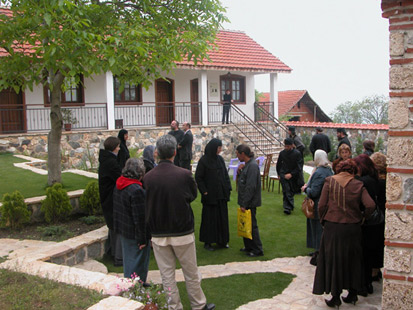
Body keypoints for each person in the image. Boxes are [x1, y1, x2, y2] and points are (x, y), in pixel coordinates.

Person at [144, 134, 215, 310]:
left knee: (167, 275)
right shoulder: (184, 175)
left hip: (159, 232)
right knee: (191, 272)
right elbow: (192, 195)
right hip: (181, 230)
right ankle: (198, 305)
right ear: (175, 152)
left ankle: (174, 307)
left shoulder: (148, 177)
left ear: (157, 153)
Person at [313, 159, 376, 308]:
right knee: (353, 259)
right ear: (353, 171)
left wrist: (323, 219)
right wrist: (362, 217)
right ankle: (353, 293)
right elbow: (371, 205)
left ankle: (335, 296)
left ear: (339, 170)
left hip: (333, 227)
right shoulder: (358, 184)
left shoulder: (329, 181)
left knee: (334, 259)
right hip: (352, 228)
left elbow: (321, 205)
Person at [113, 158, 150, 282]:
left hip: (123, 230)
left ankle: (134, 285)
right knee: (137, 263)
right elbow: (140, 218)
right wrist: (142, 240)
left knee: (129, 259)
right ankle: (135, 289)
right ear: (140, 173)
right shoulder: (136, 190)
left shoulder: (119, 183)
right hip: (134, 233)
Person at [195, 139, 232, 251]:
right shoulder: (204, 161)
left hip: (221, 195)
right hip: (210, 196)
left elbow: (225, 175)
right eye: (219, 148)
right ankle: (208, 242)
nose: (220, 150)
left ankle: (222, 240)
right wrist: (204, 191)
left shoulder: (220, 160)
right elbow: (199, 177)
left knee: (222, 218)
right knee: (209, 219)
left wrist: (227, 188)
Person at [353, 154, 380, 296]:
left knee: (362, 255)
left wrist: (362, 216)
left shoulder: (363, 182)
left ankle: (361, 286)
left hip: (367, 223)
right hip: (375, 224)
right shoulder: (375, 179)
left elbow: (367, 205)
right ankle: (368, 284)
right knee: (369, 255)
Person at [301, 150, 333, 266]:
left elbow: (314, 192)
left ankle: (319, 252)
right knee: (319, 228)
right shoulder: (329, 170)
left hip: (317, 204)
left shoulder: (319, 172)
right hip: (326, 204)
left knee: (317, 228)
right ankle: (317, 250)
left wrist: (305, 189)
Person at [236, 144, 264, 257]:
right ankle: (248, 246)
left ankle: (257, 249)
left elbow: (250, 187)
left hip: (250, 202)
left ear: (243, 154)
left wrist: (245, 203)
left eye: (237, 154)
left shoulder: (252, 166)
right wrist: (239, 171)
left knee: (252, 225)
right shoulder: (248, 165)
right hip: (246, 200)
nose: (237, 156)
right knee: (245, 224)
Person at [98, 136, 122, 266]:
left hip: (107, 197)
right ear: (114, 147)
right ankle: (118, 257)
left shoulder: (106, 159)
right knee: (116, 226)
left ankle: (110, 251)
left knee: (112, 226)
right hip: (111, 198)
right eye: (118, 146)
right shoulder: (111, 162)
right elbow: (119, 178)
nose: (119, 148)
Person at [370, 152, 387, 282]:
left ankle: (374, 272)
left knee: (374, 245)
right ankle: (377, 269)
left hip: (376, 217)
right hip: (385, 217)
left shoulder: (376, 182)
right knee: (380, 244)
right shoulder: (387, 180)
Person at [276, 138, 304, 215]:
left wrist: (291, 174)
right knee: (286, 190)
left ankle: (288, 205)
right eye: (285, 146)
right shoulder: (282, 153)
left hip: (293, 175)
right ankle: (287, 207)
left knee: (290, 190)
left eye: (288, 146)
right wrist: (279, 174)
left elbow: (299, 166)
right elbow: (278, 164)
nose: (286, 148)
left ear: (292, 145)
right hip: (283, 173)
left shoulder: (297, 154)